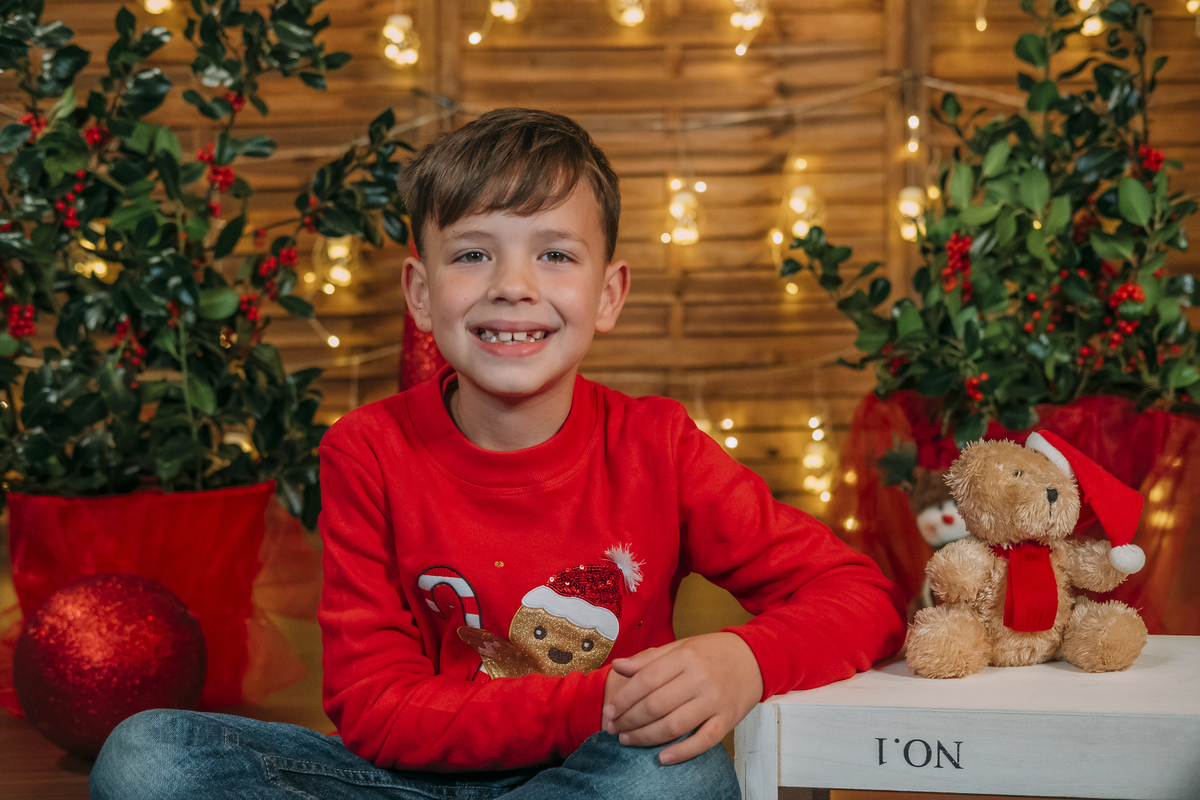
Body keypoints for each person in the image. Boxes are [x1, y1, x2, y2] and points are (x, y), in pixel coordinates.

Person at [90, 108, 906, 800]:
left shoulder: (657, 445)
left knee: (674, 778)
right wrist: (610, 701)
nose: (513, 285)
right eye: (474, 253)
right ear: (419, 292)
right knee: (147, 756)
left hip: (590, 774)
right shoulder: (366, 451)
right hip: (403, 779)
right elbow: (375, 710)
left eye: (554, 254)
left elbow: (858, 593)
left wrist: (743, 659)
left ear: (608, 294)